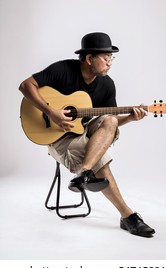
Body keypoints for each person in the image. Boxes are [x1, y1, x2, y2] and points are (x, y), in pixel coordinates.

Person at [19, 32, 155, 238]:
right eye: (106, 57)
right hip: (56, 136)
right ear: (90, 59)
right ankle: (127, 216)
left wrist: (129, 118)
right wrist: (50, 112)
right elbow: (26, 85)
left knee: (109, 119)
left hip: (82, 131)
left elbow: (111, 122)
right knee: (101, 158)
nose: (110, 62)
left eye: (112, 58)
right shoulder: (63, 70)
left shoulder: (107, 85)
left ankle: (85, 173)